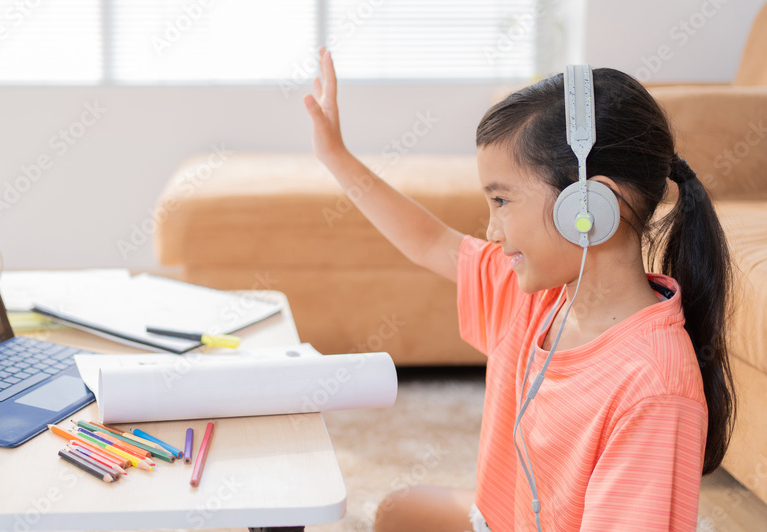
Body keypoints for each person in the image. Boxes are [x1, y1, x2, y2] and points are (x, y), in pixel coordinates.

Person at [302, 48, 735, 531]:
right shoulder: (534, 294)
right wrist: (334, 156)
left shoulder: (653, 386)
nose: (491, 231)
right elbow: (429, 242)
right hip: (502, 517)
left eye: (502, 201)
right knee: (397, 511)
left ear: (588, 206)